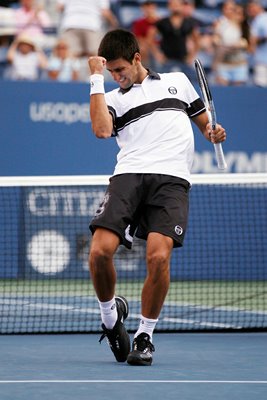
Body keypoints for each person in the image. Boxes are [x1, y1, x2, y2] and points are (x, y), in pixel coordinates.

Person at [87, 29, 226, 366]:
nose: (116, 77)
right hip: (129, 176)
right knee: (99, 252)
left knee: (158, 258)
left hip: (172, 180)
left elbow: (204, 125)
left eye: (120, 70)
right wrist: (94, 79)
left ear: (137, 58)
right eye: (111, 73)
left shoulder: (177, 81)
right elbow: (102, 130)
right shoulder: (113, 98)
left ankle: (145, 335)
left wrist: (212, 132)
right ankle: (110, 319)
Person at [212, 1, 251, 85]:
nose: (237, 15)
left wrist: (242, 44)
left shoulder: (245, 27)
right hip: (223, 65)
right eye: (235, 12)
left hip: (239, 65)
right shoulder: (222, 24)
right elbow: (216, 40)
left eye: (240, 13)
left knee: (239, 93)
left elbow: (248, 44)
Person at [131, 0, 160, 68]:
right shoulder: (139, 23)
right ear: (143, 9)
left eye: (151, 8)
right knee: (142, 49)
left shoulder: (161, 22)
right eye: (147, 8)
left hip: (160, 47)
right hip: (148, 47)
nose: (149, 10)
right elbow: (140, 40)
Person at [246, 0, 267, 87]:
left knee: (261, 87)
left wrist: (253, 42)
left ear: (259, 7)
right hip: (260, 59)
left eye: (252, 7)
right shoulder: (256, 19)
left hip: (262, 60)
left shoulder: (262, 18)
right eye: (249, 8)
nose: (250, 10)